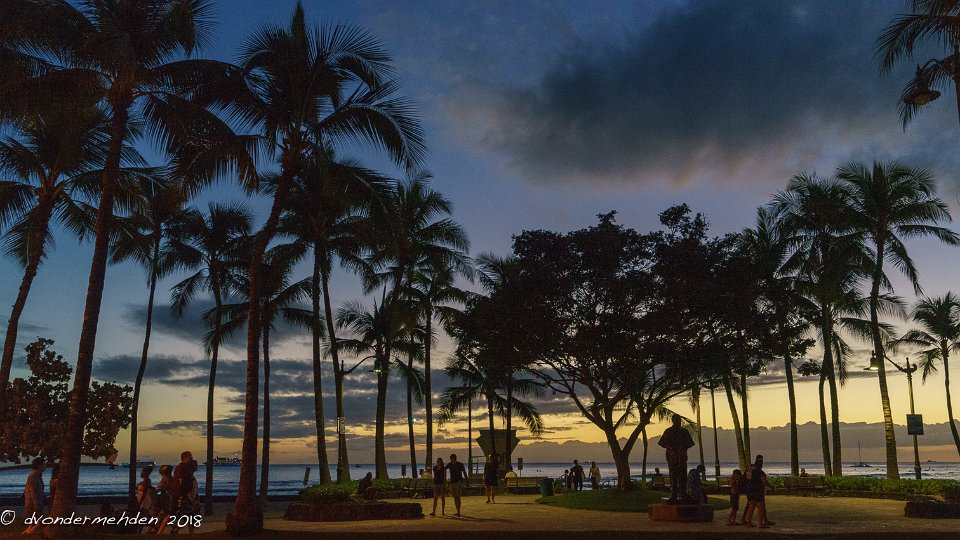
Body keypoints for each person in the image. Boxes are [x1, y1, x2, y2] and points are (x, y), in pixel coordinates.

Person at [658, 414, 695, 502]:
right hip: (672, 457)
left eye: (679, 420)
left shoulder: (683, 431)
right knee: (673, 476)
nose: (678, 422)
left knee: (682, 476)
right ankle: (674, 494)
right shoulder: (669, 431)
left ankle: (683, 493)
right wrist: (671, 448)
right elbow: (662, 443)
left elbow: (690, 443)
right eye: (677, 420)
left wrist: (682, 448)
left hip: (681, 456)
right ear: (673, 421)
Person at [742, 455, 775, 528]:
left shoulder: (749, 468)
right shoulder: (758, 470)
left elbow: (745, 478)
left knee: (751, 506)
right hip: (757, 490)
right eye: (761, 461)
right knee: (760, 506)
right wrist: (771, 487)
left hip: (749, 490)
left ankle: (749, 522)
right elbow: (764, 480)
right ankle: (760, 524)